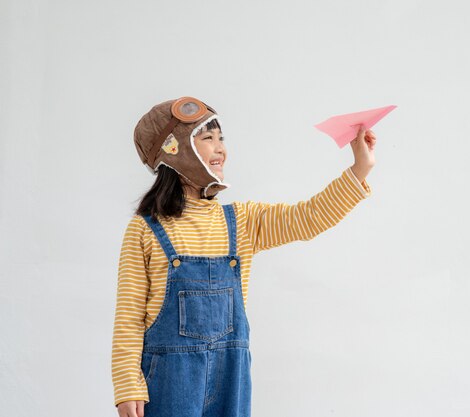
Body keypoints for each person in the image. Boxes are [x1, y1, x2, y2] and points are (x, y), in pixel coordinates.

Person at [111, 96, 376, 417]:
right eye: (207, 138)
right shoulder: (145, 230)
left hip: (229, 373)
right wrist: (127, 385)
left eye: (221, 137)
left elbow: (308, 218)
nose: (220, 147)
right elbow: (129, 318)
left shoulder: (243, 222)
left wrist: (360, 169)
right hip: (170, 377)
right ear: (173, 150)